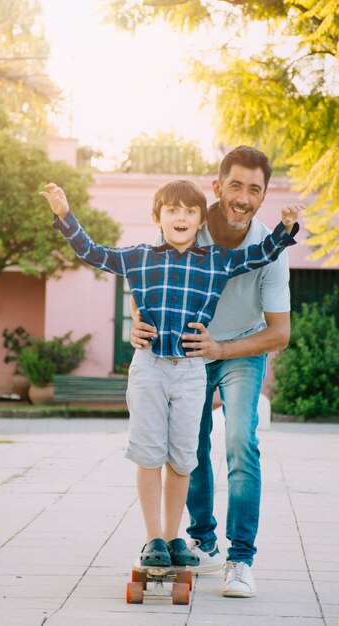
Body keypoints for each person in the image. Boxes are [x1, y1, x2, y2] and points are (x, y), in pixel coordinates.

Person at [40, 176, 299, 571]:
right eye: (172, 210)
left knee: (182, 458)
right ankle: (152, 539)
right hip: (150, 368)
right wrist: (64, 214)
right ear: (157, 217)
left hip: (192, 371)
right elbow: (92, 253)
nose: (181, 217)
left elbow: (260, 254)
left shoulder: (216, 260)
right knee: (148, 453)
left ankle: (175, 536)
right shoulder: (139, 257)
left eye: (190, 211)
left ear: (201, 223)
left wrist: (285, 227)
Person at [130, 145, 300, 597]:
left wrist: (222, 347)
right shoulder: (187, 223)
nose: (244, 197)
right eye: (236, 185)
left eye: (255, 189)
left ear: (264, 195)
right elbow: (146, 272)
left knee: (240, 440)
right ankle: (201, 540)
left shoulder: (270, 247)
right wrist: (137, 321)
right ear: (218, 187)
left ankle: (240, 558)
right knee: (190, 445)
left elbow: (279, 332)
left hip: (240, 347)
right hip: (187, 351)